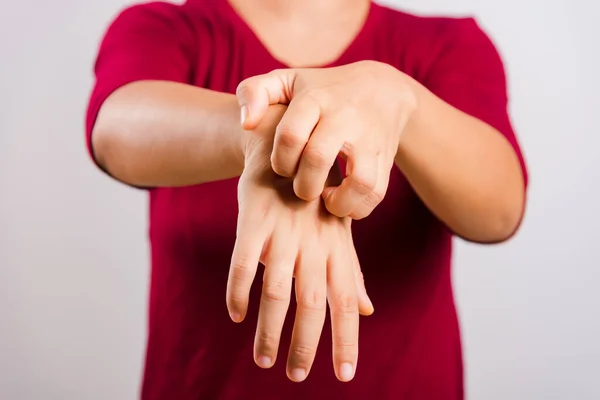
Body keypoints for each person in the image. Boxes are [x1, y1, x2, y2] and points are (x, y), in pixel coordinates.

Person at [85, 0, 528, 398]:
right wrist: (270, 139)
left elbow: (498, 210)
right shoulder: (165, 27)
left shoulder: (447, 44)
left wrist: (400, 99)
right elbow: (116, 126)